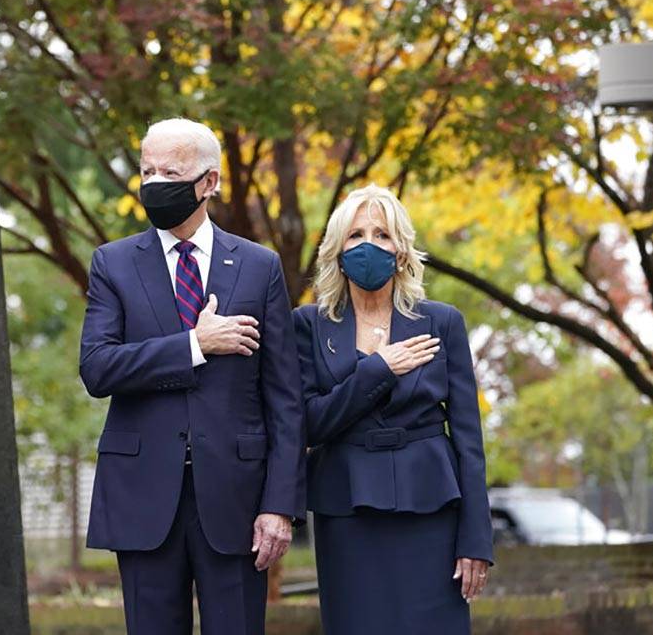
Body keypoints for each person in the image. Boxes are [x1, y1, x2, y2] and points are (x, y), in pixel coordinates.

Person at [79, 118, 305, 635]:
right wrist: (194, 345)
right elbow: (97, 367)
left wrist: (279, 506)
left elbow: (284, 398)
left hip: (237, 500)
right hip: (142, 497)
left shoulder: (259, 266)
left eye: (171, 171)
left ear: (210, 182)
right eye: (147, 170)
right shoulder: (112, 264)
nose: (156, 182)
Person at [294, 185, 493, 634]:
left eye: (382, 235)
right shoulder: (308, 325)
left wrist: (476, 538)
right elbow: (307, 424)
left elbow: (468, 439)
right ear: (337, 249)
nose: (369, 245)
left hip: (431, 510)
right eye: (356, 235)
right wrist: (377, 370)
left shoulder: (441, 322)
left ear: (401, 250)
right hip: (346, 511)